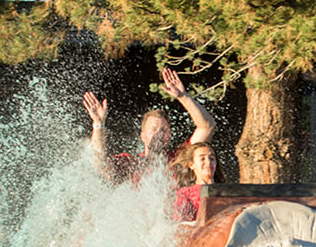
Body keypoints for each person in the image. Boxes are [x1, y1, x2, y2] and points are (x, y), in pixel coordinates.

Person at [82, 67, 216, 182]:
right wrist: (98, 125)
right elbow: (99, 164)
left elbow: (207, 126)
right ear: (143, 136)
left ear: (169, 135)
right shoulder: (130, 163)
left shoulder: (178, 159)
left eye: (163, 130)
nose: (159, 133)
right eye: (153, 129)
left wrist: (183, 97)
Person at [172, 141, 220, 221]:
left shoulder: (227, 190)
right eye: (202, 159)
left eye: (212, 158)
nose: (208, 162)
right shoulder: (185, 194)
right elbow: (181, 225)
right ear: (192, 165)